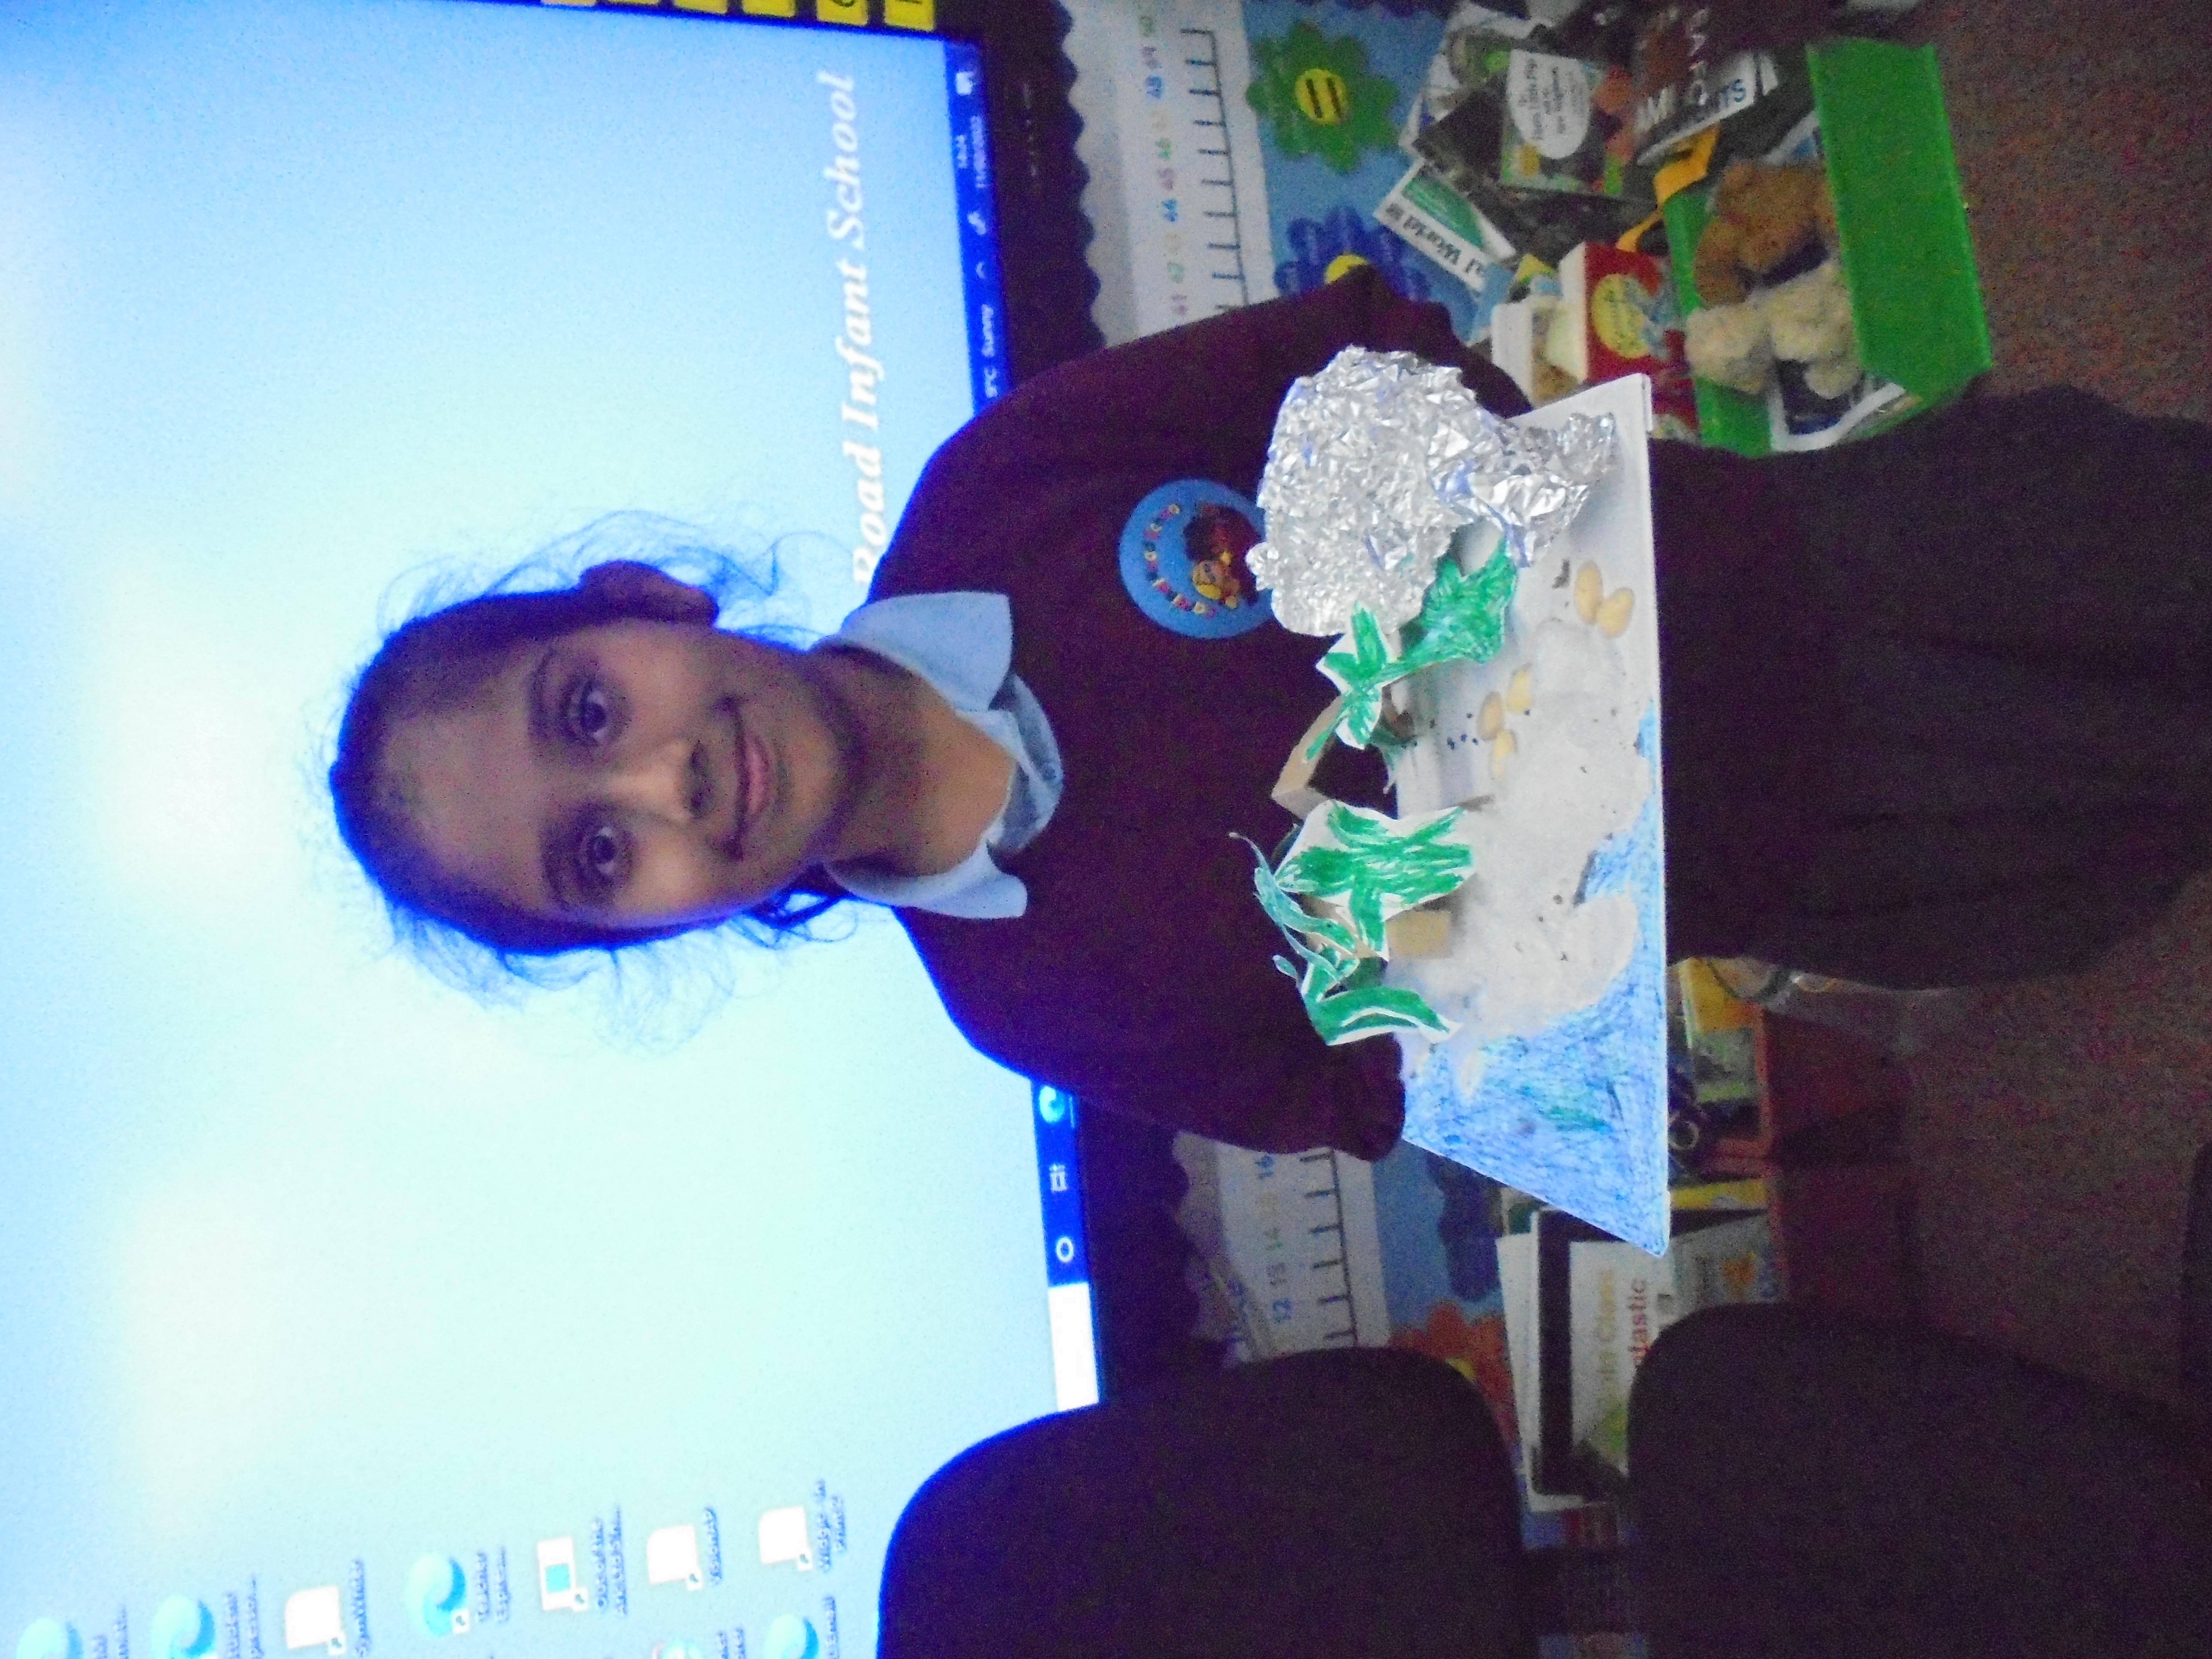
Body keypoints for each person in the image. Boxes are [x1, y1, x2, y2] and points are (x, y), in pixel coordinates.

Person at [330, 266, 2212, 1158]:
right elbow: (1351, 1094)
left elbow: (1347, 349)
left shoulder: (1005, 489)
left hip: (1835, 564)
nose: (663, 780)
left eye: (591, 707)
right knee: (2159, 812)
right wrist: (1494, 949)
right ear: (652, 932)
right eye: (599, 856)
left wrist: (1489, 545)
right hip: (1833, 855)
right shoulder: (1034, 1005)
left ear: (645, 603)